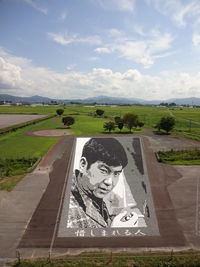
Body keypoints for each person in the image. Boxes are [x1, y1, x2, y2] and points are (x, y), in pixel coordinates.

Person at [67, 138, 145, 228]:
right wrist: (115, 232)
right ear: (83, 164)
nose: (109, 182)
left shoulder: (94, 191)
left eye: (116, 173)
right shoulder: (69, 213)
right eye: (104, 171)